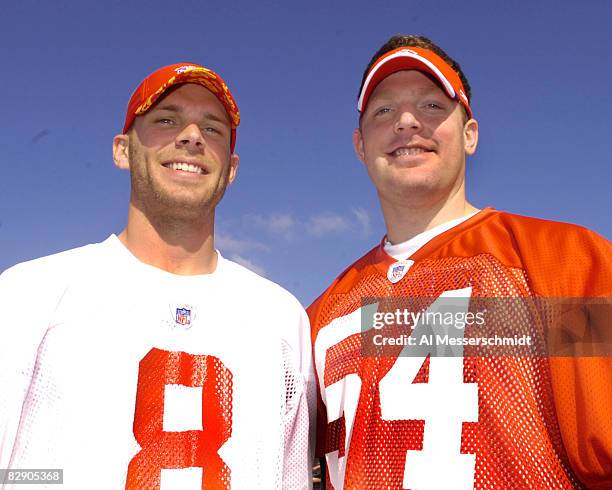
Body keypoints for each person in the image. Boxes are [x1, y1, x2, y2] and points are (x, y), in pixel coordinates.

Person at [308, 35, 611, 489]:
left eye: (432, 106)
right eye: (384, 111)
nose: (407, 122)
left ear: (469, 135)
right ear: (359, 144)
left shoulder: (569, 264)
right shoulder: (319, 316)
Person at [0, 63, 314, 489]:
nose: (191, 137)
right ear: (122, 150)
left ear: (232, 168)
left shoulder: (281, 319)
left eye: (213, 129)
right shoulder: (30, 292)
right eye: (166, 120)